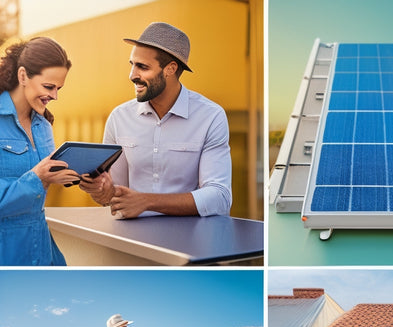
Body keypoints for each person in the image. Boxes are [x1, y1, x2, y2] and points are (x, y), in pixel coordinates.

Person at [80, 22, 232, 219]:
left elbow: (219, 197)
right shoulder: (119, 118)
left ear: (170, 69)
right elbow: (114, 196)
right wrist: (102, 191)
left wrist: (147, 201)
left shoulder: (211, 117)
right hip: (134, 239)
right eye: (132, 65)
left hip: (192, 240)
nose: (132, 75)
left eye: (142, 67)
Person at [0, 37, 79, 265]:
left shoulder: (42, 124)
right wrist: (37, 178)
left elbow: (43, 184)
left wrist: (82, 176)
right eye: (49, 87)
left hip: (41, 250)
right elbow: (36, 179)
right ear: (23, 75)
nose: (55, 96)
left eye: (59, 88)